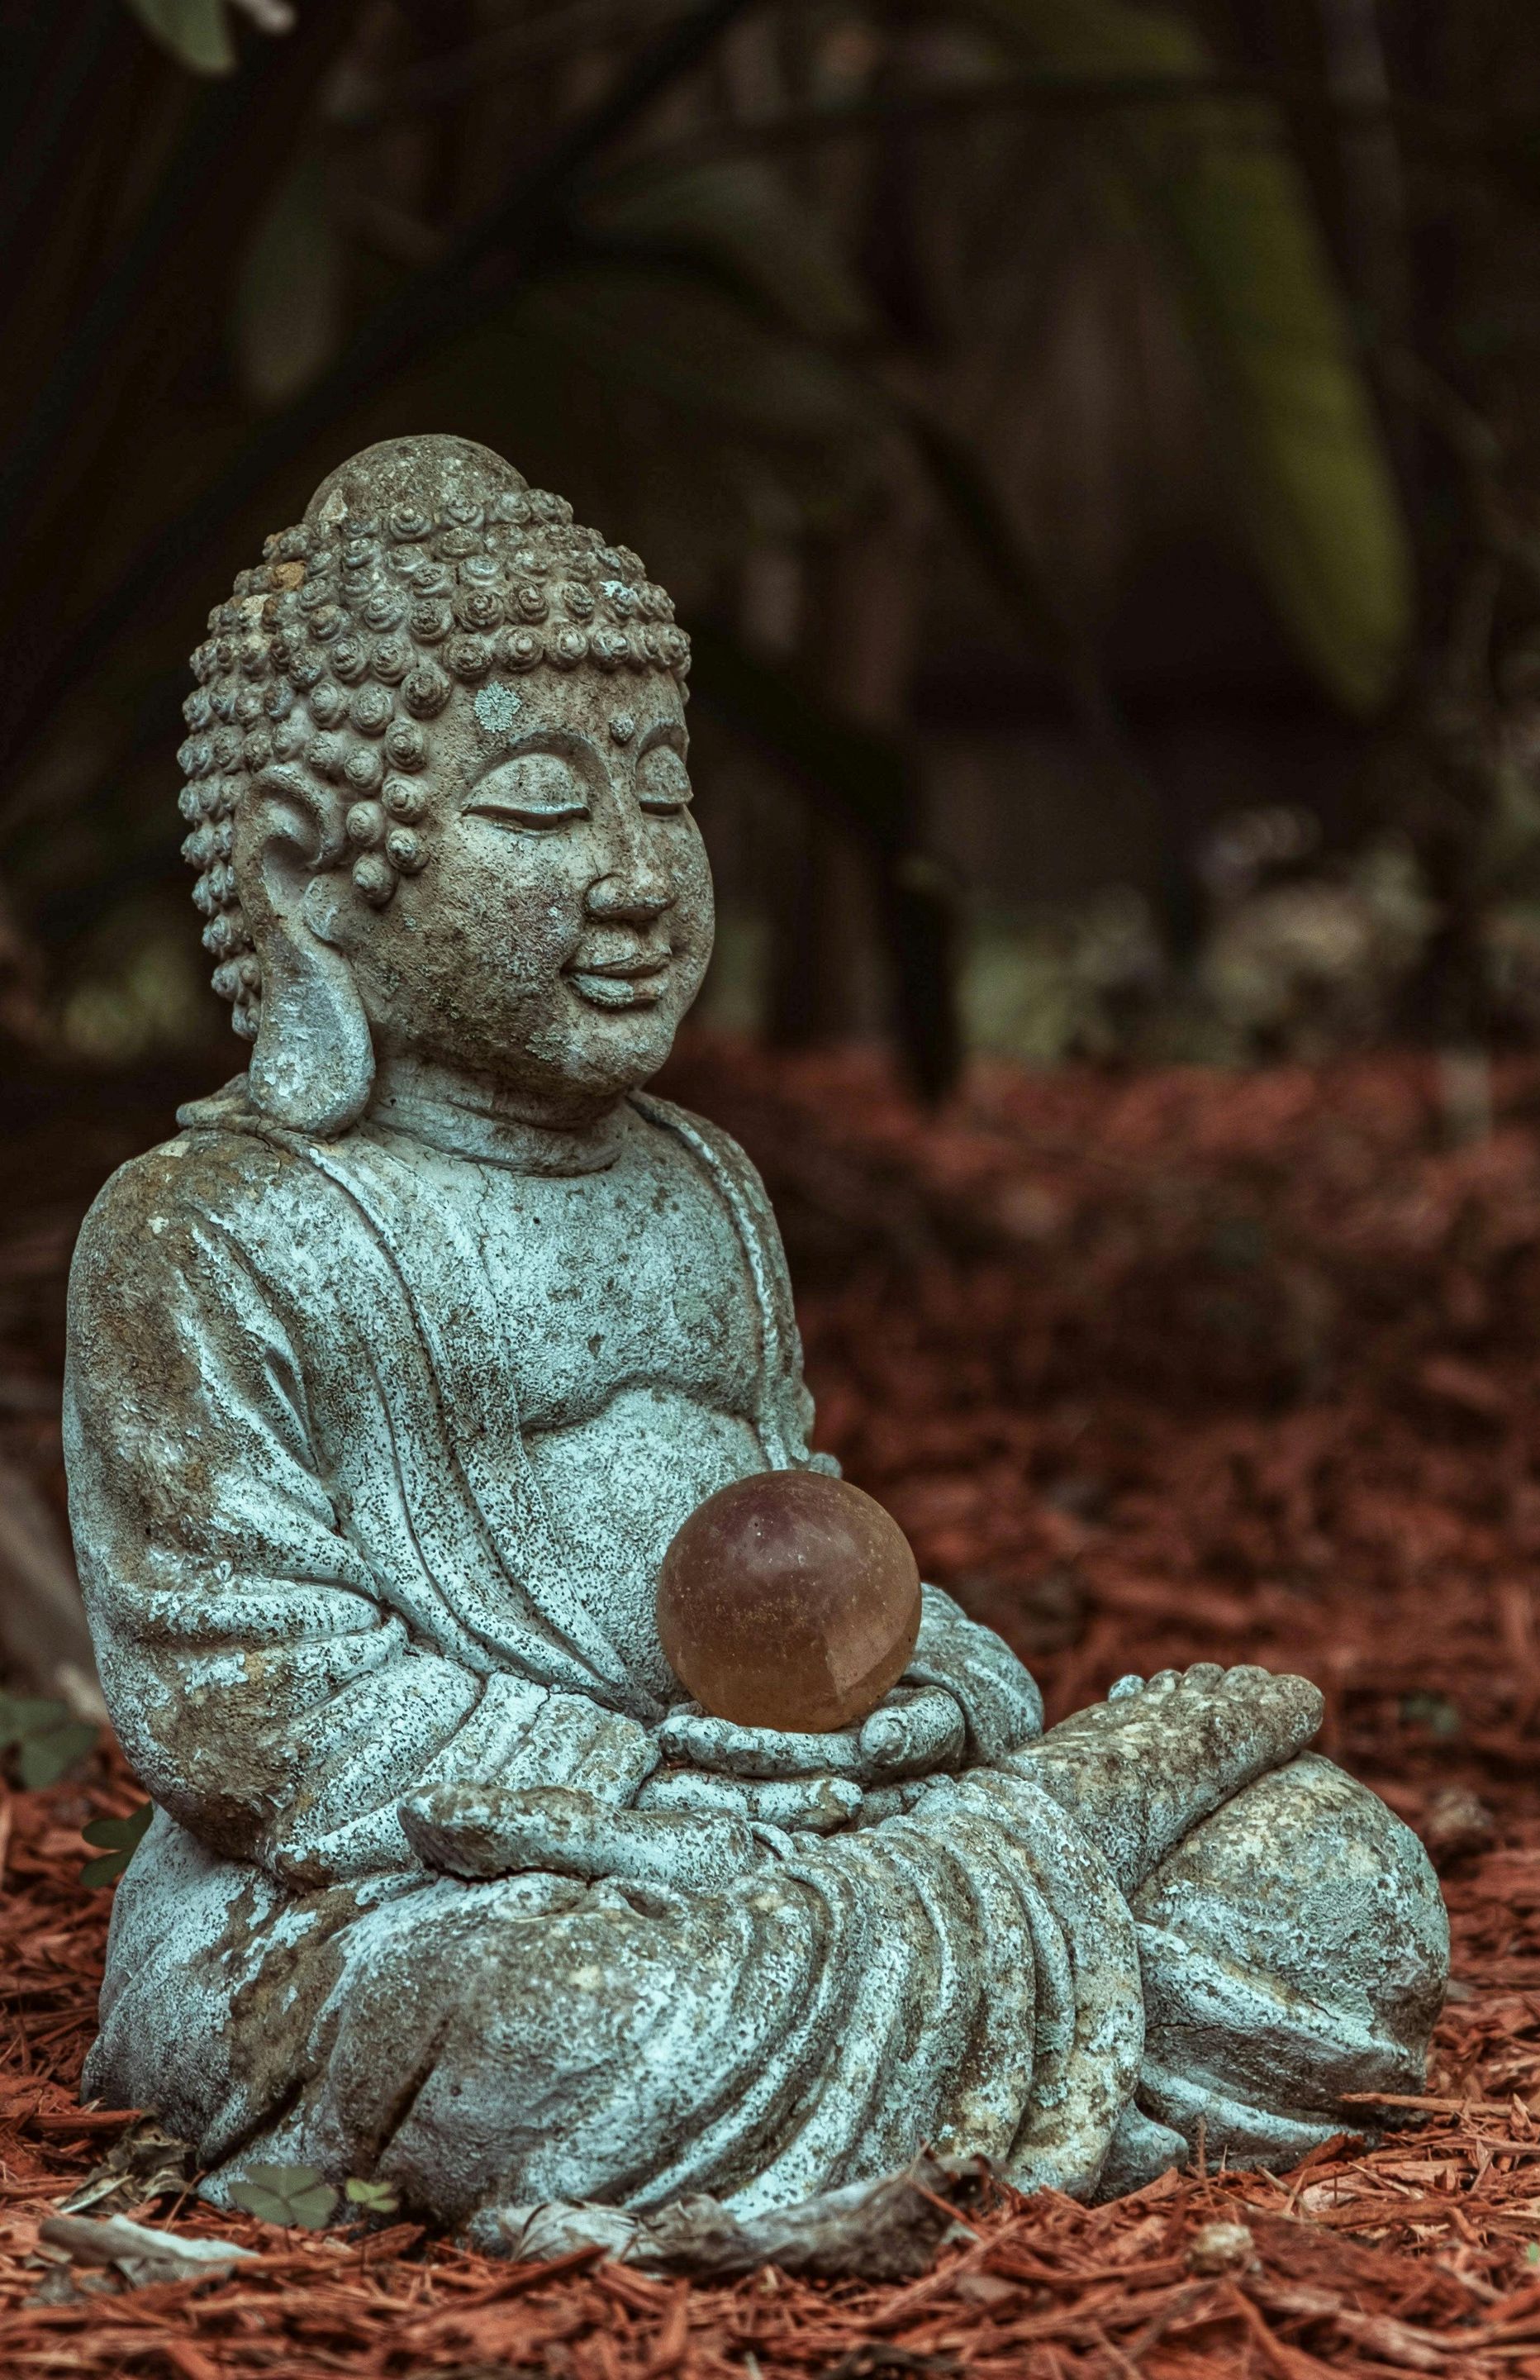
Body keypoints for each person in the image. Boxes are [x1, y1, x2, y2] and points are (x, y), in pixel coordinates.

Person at [64, 436, 1447, 2243]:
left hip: (803, 1812)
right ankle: (983, 2016)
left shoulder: (701, 1186)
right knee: (571, 2021)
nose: (641, 876)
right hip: (438, 1881)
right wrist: (644, 1796)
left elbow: (799, 1528)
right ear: (321, 879)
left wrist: (930, 1686)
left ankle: (912, 2033)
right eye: (548, 806)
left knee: (1337, 1887)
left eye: (664, 793)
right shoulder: (208, 1231)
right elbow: (248, 1710)